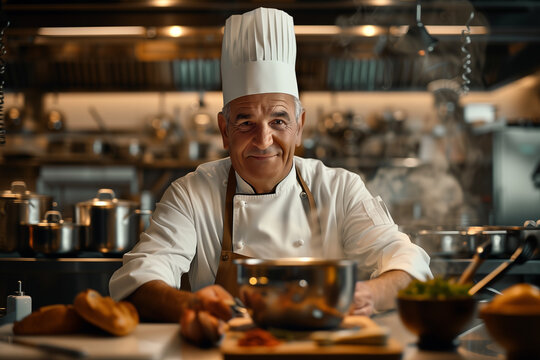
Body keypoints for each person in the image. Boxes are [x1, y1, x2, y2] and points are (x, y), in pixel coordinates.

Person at [109, 7, 432, 346]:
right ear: (224, 130)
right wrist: (194, 303)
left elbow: (408, 264)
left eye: (278, 121)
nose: (263, 141)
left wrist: (366, 293)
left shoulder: (339, 188)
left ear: (300, 127)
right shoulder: (191, 194)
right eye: (245, 122)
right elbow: (140, 279)